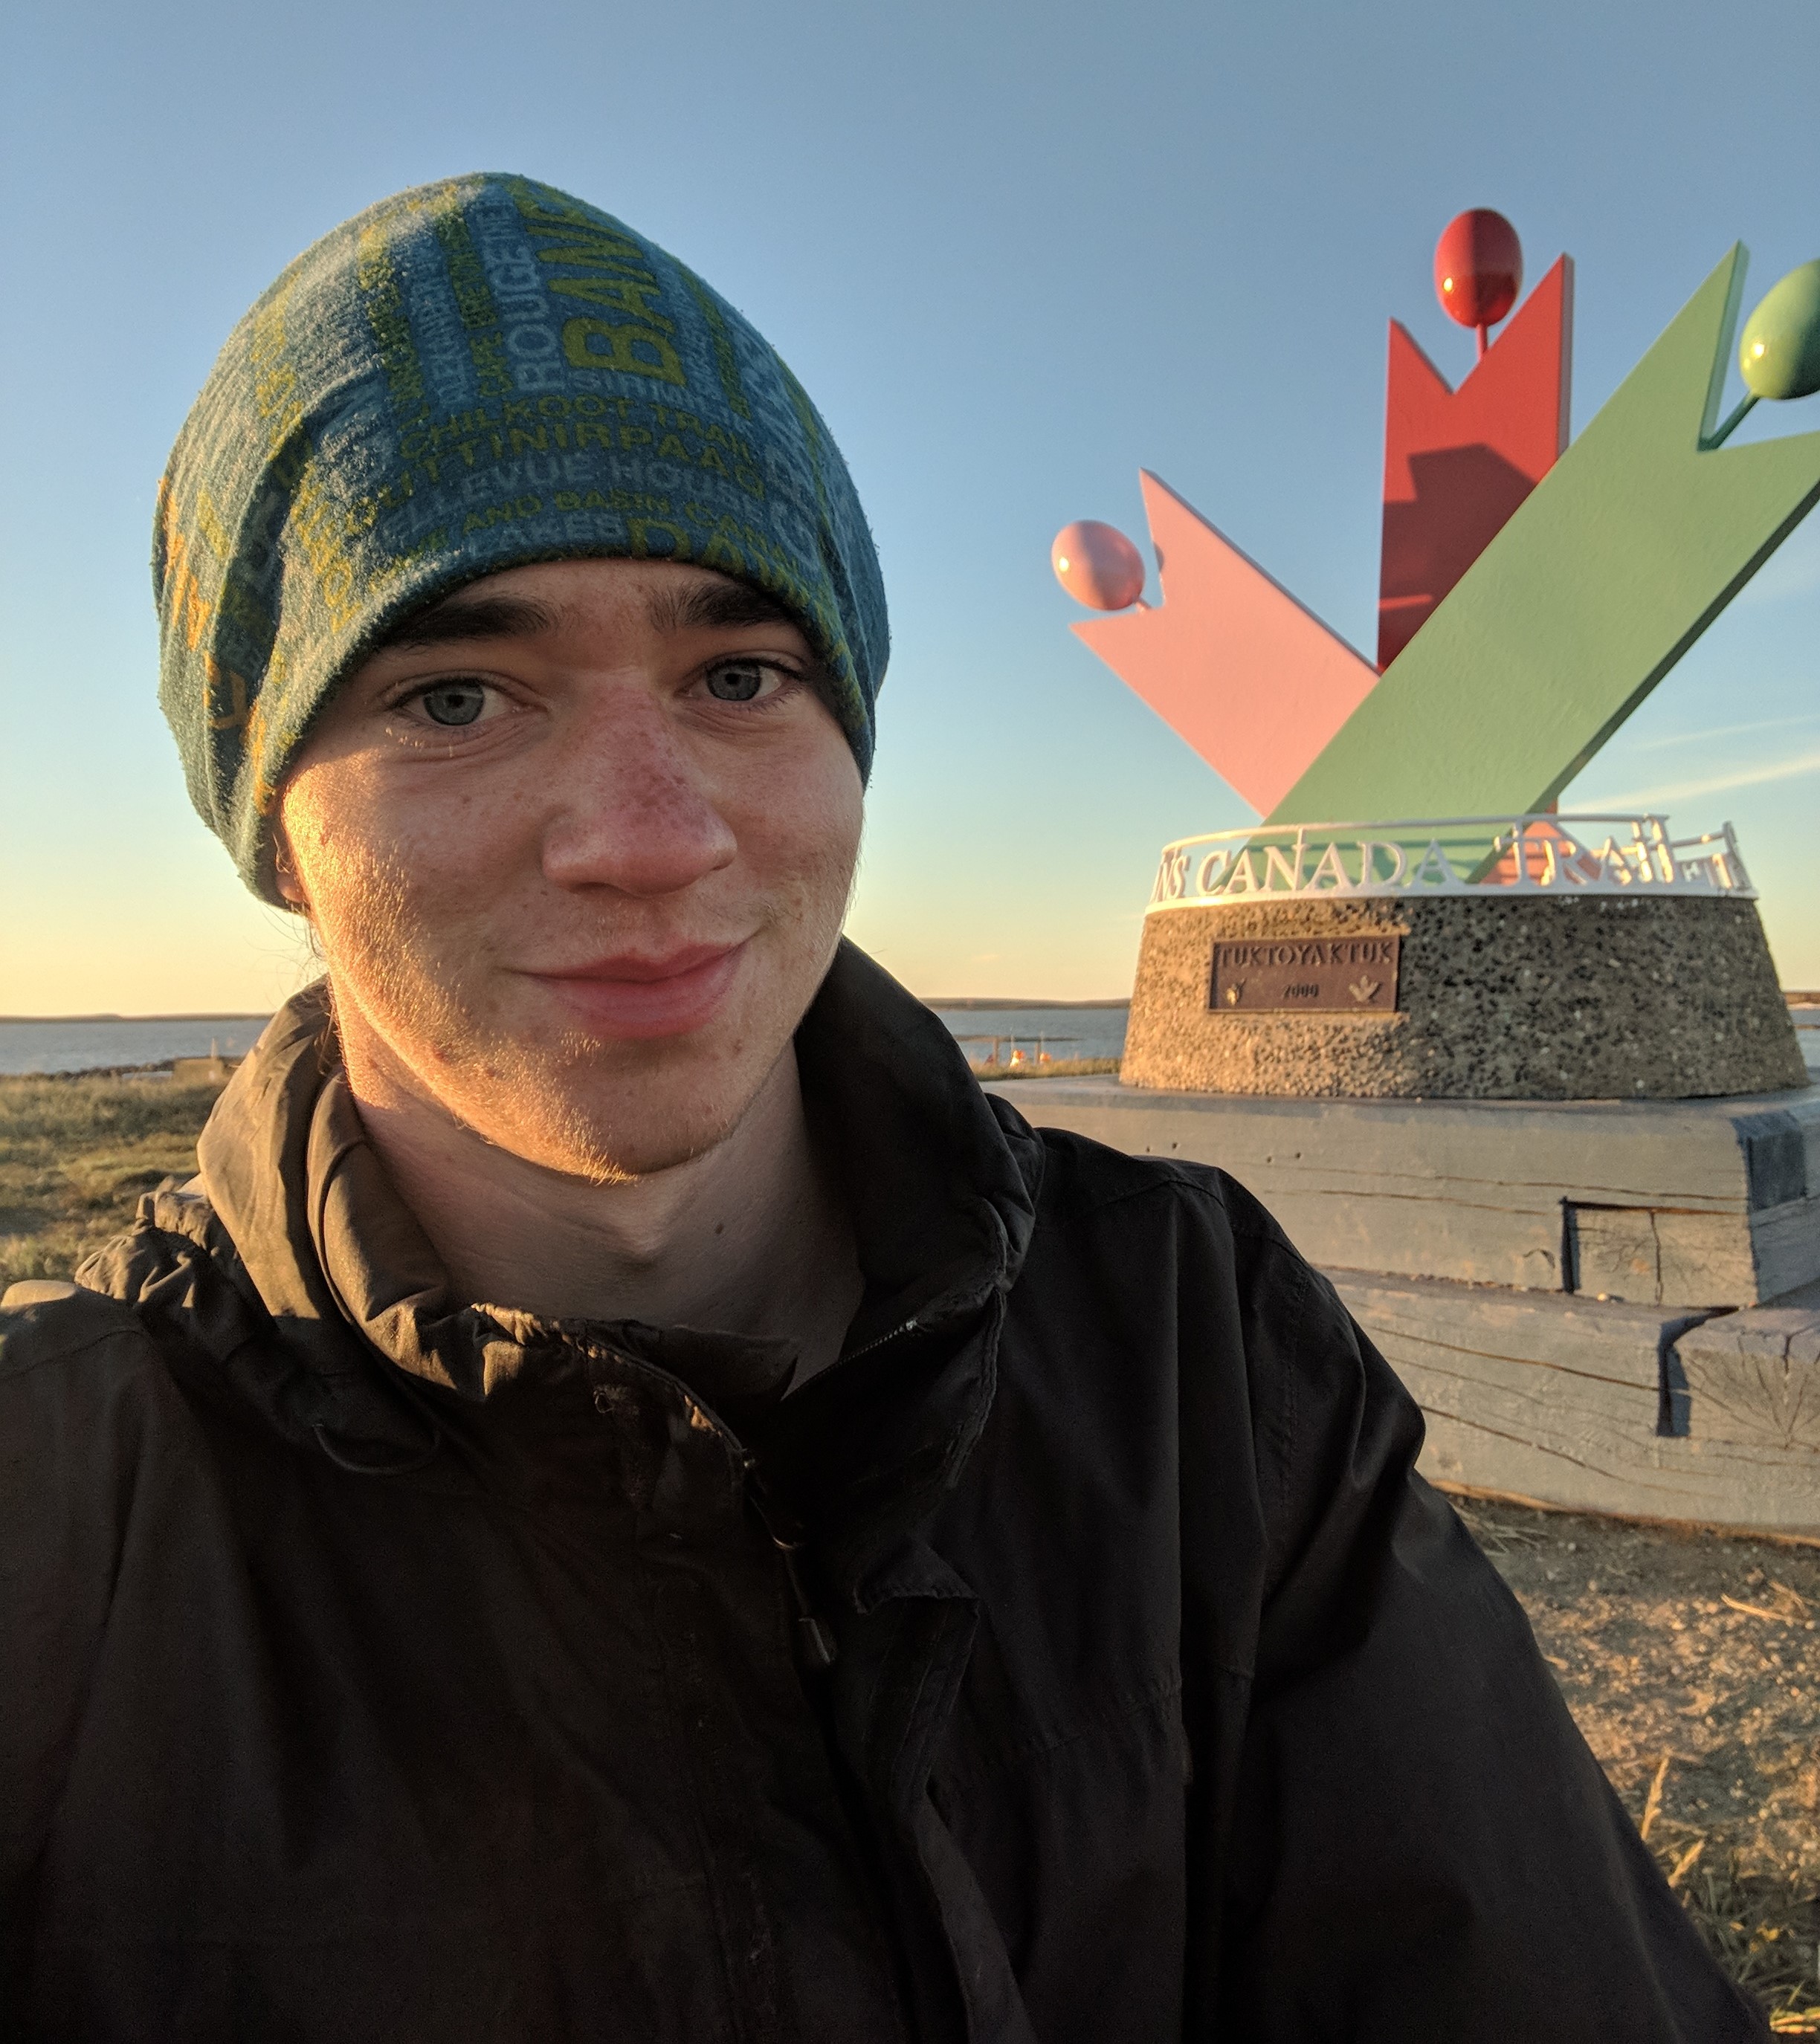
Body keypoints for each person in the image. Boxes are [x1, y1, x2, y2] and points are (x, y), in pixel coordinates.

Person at [0, 175, 1766, 2043]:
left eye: (740, 674)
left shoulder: (1194, 1358)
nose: (650, 836)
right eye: (455, 697)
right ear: (269, 816)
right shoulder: (60, 1537)